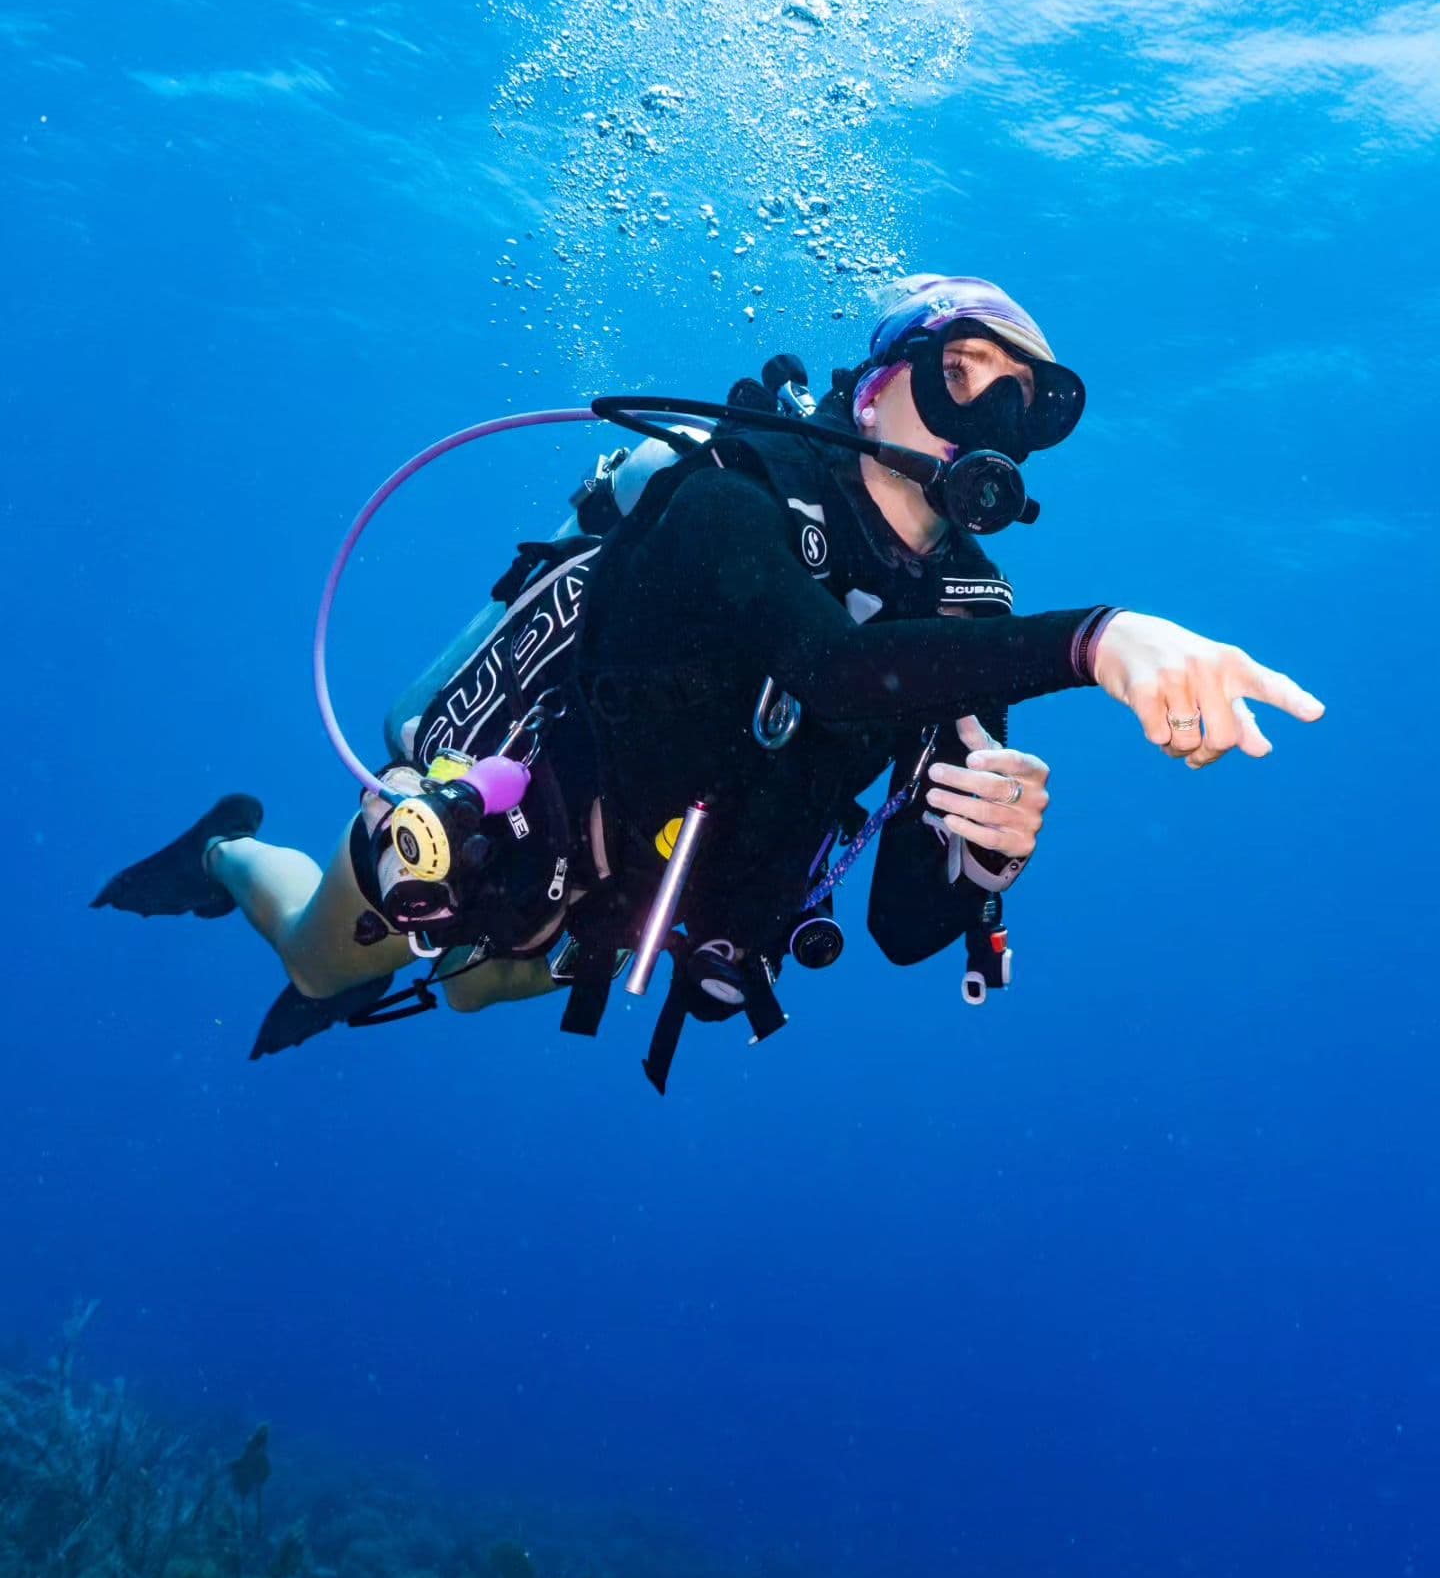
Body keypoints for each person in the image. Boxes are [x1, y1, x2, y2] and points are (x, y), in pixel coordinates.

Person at [93, 276, 1324, 1090]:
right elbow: (835, 673)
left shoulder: (962, 617)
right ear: (878, 374)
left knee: (477, 997)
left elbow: (904, 926)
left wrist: (985, 857)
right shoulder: (730, 494)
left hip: (630, 900)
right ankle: (224, 853)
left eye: (1026, 407)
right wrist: (1096, 639)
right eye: (965, 375)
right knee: (323, 968)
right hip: (492, 826)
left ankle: (435, 947)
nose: (989, 423)